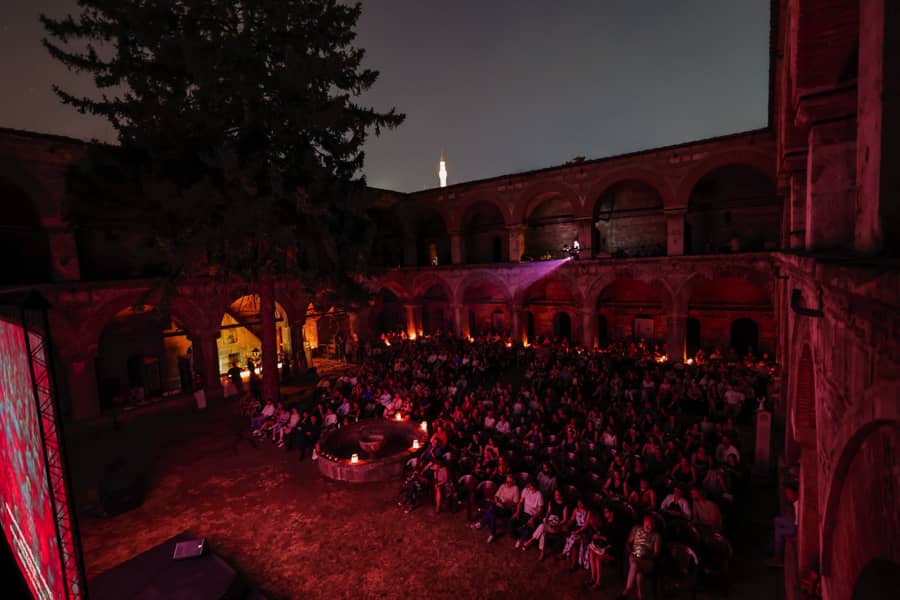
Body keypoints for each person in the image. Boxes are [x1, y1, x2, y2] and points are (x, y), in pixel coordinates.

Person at [619, 515, 662, 600]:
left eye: (650, 525)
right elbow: (628, 543)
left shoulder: (656, 536)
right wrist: (631, 553)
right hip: (634, 556)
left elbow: (656, 553)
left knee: (636, 567)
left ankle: (627, 591)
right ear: (643, 523)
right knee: (637, 568)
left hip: (647, 561)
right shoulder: (636, 529)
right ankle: (640, 596)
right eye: (646, 524)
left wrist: (646, 556)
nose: (647, 527)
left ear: (654, 525)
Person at [472, 474, 519, 543]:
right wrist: (497, 502)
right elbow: (496, 496)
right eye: (507, 481)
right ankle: (492, 533)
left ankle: (481, 523)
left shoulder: (515, 488)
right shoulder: (503, 486)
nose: (507, 483)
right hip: (499, 505)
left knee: (491, 510)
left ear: (513, 481)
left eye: (509, 482)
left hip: (507, 508)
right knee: (492, 511)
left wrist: (506, 503)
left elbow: (515, 502)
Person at [767, 484, 798, 567]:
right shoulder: (795, 503)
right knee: (777, 520)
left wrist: (792, 536)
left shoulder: (798, 504)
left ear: (796, 493)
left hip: (797, 528)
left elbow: (798, 525)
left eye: (790, 493)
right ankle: (775, 546)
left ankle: (778, 558)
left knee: (779, 532)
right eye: (786, 494)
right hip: (794, 523)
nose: (788, 496)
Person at [511, 480, 544, 548]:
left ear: (535, 486)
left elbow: (540, 510)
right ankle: (518, 537)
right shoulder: (526, 490)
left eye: (531, 486)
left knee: (529, 527)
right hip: (524, 513)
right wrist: (517, 512)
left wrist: (532, 518)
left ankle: (520, 540)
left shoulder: (539, 494)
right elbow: (520, 502)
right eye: (529, 485)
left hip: (533, 515)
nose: (529, 487)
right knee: (511, 522)